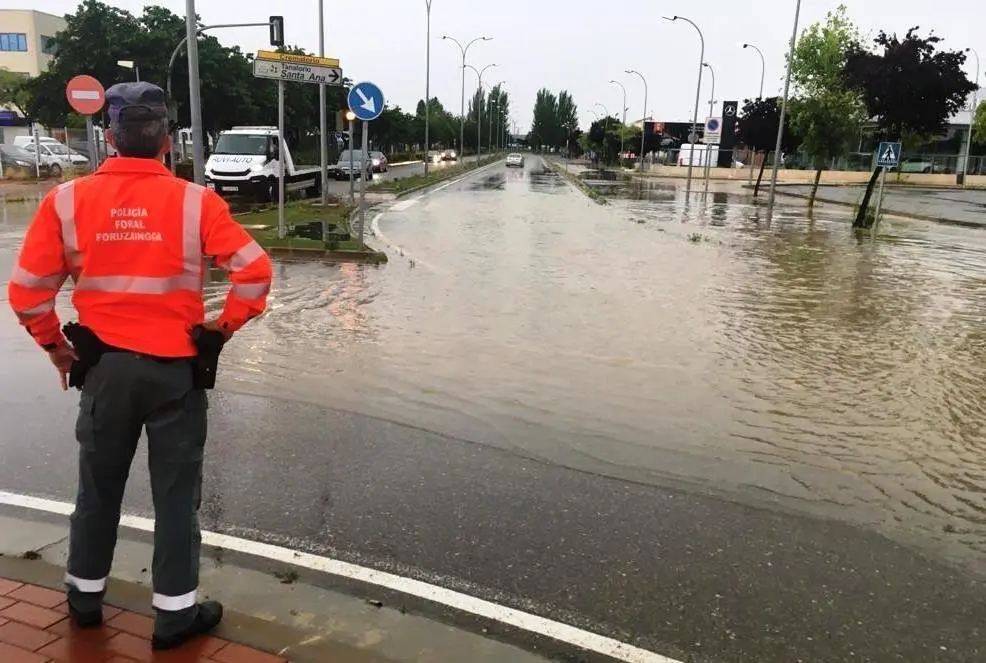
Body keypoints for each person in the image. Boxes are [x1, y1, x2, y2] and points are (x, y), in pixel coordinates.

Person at [7, 81, 273, 650]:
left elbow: (28, 292)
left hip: (103, 370)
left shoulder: (66, 202)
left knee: (97, 489)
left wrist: (59, 349)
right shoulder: (198, 202)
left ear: (108, 138)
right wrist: (218, 330)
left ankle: (83, 599)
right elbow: (254, 272)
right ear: (167, 144)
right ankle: (175, 615)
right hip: (176, 372)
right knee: (177, 496)